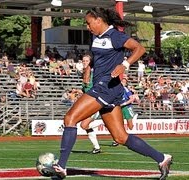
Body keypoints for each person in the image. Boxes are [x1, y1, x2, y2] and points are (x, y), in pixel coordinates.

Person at [52, 7, 173, 180]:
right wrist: (89, 68)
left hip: (106, 87)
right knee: (121, 137)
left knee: (70, 119)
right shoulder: (95, 37)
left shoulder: (115, 36)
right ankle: (162, 158)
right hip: (106, 88)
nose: (87, 27)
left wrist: (125, 64)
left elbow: (139, 49)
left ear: (99, 20)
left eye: (88, 23)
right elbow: (96, 57)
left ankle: (61, 167)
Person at [79, 54, 101, 154]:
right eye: (83, 61)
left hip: (94, 103)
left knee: (84, 125)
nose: (84, 62)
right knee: (85, 126)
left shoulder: (93, 73)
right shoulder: (85, 73)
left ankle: (104, 123)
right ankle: (96, 147)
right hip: (88, 102)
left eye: (86, 61)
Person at [111, 77, 138, 147]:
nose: (122, 82)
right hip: (118, 107)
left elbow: (131, 98)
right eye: (122, 81)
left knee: (130, 126)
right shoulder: (116, 89)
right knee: (118, 124)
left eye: (124, 81)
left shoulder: (125, 89)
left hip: (125, 107)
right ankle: (116, 140)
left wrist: (124, 103)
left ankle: (134, 118)